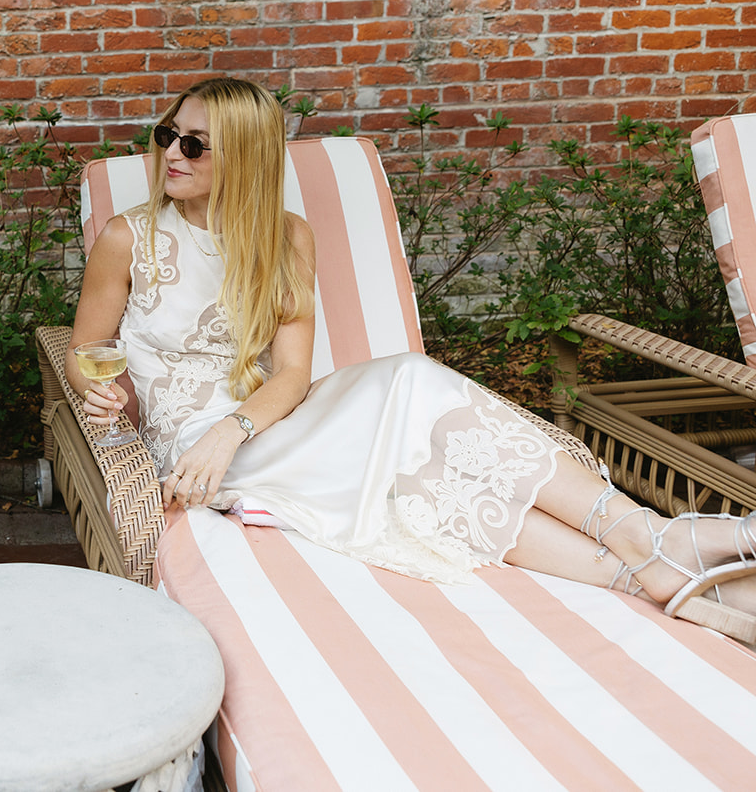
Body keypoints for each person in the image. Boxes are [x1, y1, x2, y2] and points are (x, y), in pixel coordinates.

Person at [68, 76, 756, 643]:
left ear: (244, 159)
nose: (172, 154)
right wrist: (101, 391)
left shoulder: (287, 237)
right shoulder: (129, 239)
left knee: (416, 407)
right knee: (417, 457)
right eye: (167, 135)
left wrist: (235, 425)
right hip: (193, 449)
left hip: (262, 423)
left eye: (195, 144)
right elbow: (82, 353)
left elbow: (292, 375)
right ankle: (663, 544)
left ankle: (642, 562)